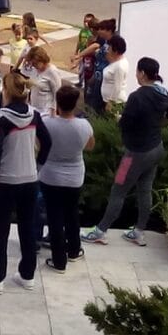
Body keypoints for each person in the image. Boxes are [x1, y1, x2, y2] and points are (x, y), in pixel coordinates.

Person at [82, 57, 168, 248]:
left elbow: (125, 123)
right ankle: (139, 231)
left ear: (142, 73)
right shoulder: (163, 93)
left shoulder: (137, 97)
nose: (136, 75)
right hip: (156, 148)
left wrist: (117, 116)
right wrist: (161, 123)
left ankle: (100, 231)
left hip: (135, 152)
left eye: (137, 71)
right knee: (145, 188)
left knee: (118, 189)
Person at [0, 70, 51, 294]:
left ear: (7, 91)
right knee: (27, 227)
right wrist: (38, 164)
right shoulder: (34, 113)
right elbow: (47, 142)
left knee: (1, 231)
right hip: (30, 179)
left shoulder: (0, 117)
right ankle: (27, 275)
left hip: (7, 180)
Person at [40, 84, 95, 272]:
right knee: (72, 214)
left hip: (50, 175)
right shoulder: (84, 125)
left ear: (57, 103)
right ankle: (73, 249)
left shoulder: (47, 123)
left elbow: (39, 145)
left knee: (54, 217)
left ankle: (59, 260)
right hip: (74, 176)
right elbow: (90, 146)